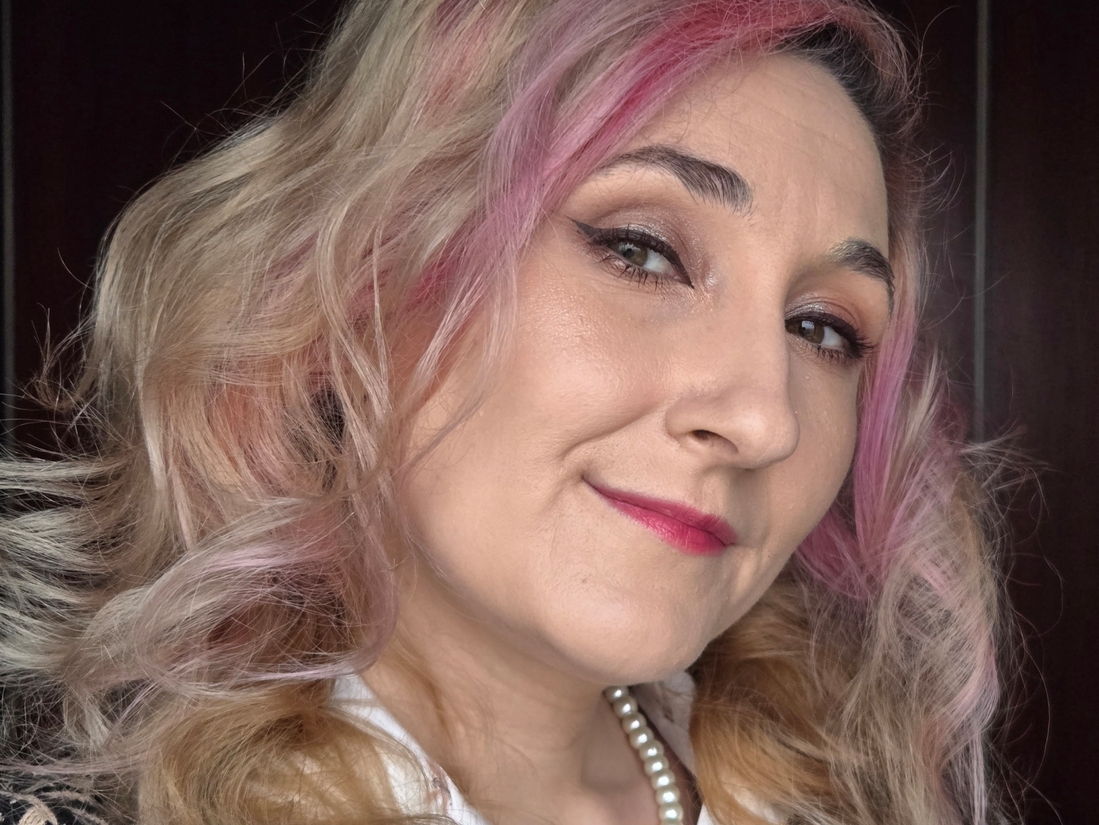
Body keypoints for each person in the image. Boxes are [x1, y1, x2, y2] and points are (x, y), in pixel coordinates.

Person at [0, 0, 1015, 823]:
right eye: (640, 251)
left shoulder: (846, 799)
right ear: (359, 272)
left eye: (821, 329)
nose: (762, 420)